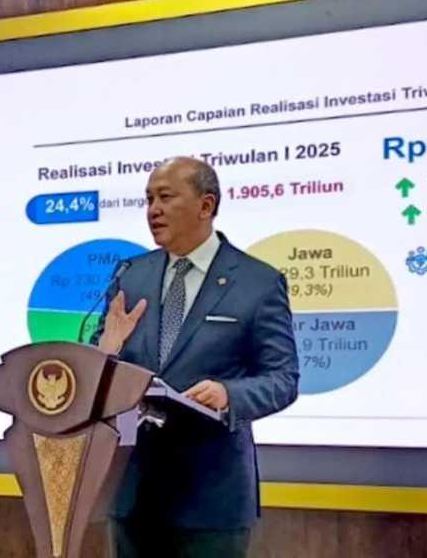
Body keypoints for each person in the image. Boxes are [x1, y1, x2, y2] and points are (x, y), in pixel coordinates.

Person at [92, 156, 300, 557]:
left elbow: (283, 378)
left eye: (165, 197)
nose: (153, 210)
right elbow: (100, 371)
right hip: (133, 491)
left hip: (211, 498)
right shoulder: (130, 275)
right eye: (149, 199)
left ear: (206, 205)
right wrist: (105, 351)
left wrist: (230, 395)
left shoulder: (257, 282)